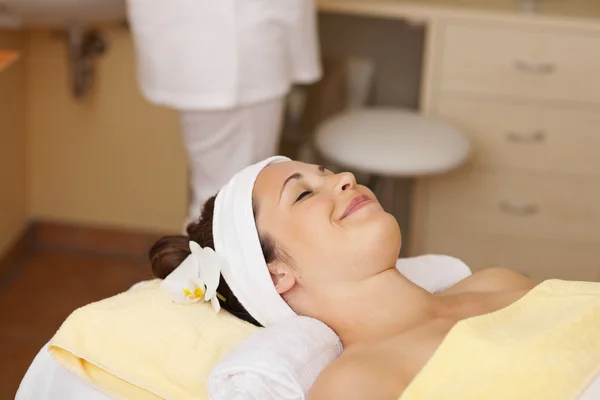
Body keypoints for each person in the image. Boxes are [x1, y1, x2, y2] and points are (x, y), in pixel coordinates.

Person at [149, 156, 600, 400]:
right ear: (276, 273)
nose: (345, 178)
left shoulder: (501, 282)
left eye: (327, 173)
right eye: (305, 193)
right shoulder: (356, 385)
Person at [125, 0, 321, 227]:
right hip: (234, 51)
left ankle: (200, 258)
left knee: (223, 200)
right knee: (232, 204)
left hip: (211, 44)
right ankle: (202, 260)